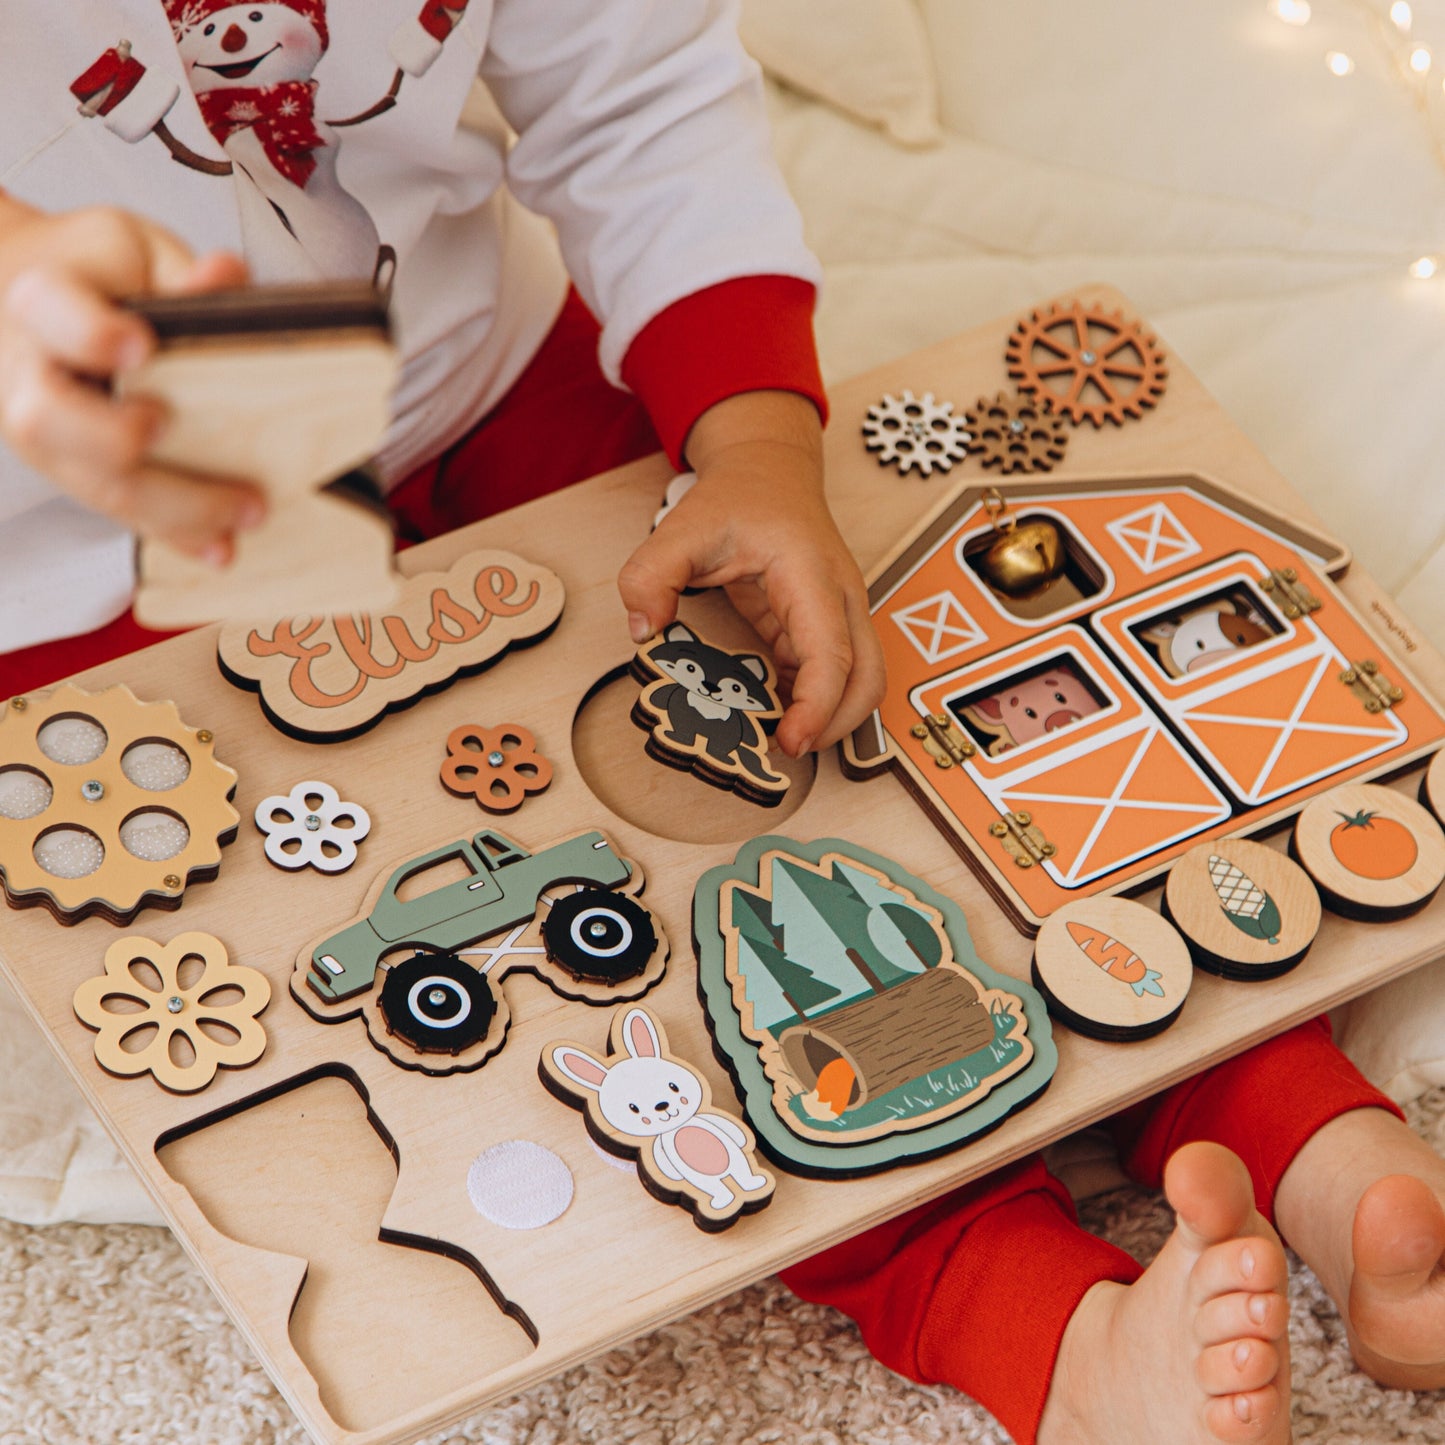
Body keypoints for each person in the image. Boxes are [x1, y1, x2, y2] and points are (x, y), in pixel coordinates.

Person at [2, 7, 1443, 1445]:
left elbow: (636, 89)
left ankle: (1315, 1146)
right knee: (648, 1025)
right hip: (94, 556)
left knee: (889, 769)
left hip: (480, 384)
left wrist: (752, 439)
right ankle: (1048, 1333)